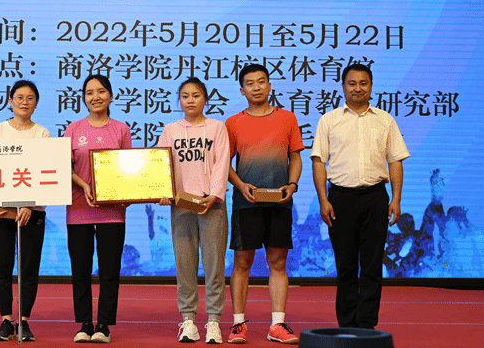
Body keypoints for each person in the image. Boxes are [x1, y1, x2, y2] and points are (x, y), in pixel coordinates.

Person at [311, 63, 409, 329]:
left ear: (371, 87)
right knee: (345, 265)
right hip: (340, 199)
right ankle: (347, 324)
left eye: (363, 83)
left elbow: (395, 161)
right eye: (352, 83)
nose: (358, 88)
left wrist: (396, 199)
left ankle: (366, 325)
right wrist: (323, 199)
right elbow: (319, 162)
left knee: (372, 265)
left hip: (376, 198)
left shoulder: (385, 120)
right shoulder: (329, 120)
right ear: (343, 87)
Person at [225, 64, 303, 344]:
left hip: (279, 202)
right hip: (246, 202)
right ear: (242, 90)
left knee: (278, 262)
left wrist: (292, 184)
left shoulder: (287, 118)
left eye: (261, 81)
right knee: (242, 262)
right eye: (250, 83)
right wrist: (240, 185)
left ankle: (277, 325)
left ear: (270, 86)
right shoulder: (233, 123)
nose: (256, 87)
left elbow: (295, 156)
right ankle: (238, 324)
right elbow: (225, 163)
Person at [158, 77, 230, 344]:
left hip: (212, 205)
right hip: (181, 205)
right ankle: (188, 319)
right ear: (179, 100)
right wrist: (163, 190)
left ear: (205, 99)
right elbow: (160, 163)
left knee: (214, 265)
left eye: (196, 95)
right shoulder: (171, 130)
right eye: (185, 96)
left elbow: (222, 163)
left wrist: (214, 195)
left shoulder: (217, 127)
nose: (190, 100)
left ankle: (214, 321)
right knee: (185, 264)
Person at [64, 74, 132, 344]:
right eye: (90, 92)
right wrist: (84, 185)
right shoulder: (73, 128)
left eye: (101, 91)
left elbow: (128, 170)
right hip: (78, 208)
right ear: (84, 98)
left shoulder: (121, 130)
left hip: (112, 211)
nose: (96, 97)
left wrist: (128, 195)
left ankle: (103, 324)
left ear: (111, 96)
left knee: (109, 270)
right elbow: (64, 167)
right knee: (80, 270)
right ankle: (84, 323)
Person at [0, 80, 51, 342]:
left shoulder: (43, 134)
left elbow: (46, 173)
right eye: (19, 97)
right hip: (0, 211)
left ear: (36, 103)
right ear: (10, 101)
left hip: (32, 212)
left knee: (28, 269)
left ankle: (23, 321)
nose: (24, 102)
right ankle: (5, 321)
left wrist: (29, 203)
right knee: (2, 267)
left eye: (30, 98)